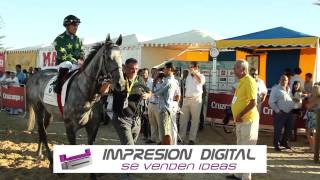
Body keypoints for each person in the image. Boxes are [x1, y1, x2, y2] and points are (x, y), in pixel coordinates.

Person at [227, 60, 259, 180]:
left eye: (235, 68)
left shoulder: (249, 81)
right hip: (240, 120)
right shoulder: (240, 81)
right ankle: (238, 174)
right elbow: (238, 99)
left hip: (248, 120)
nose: (233, 70)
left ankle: (246, 177)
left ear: (243, 70)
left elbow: (253, 102)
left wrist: (240, 114)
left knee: (247, 149)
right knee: (240, 147)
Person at [112, 58, 151, 145]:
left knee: (131, 144)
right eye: (131, 68)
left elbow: (149, 92)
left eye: (136, 69)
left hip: (136, 119)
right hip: (122, 118)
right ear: (125, 68)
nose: (134, 71)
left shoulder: (139, 79)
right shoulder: (119, 79)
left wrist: (147, 95)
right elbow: (105, 90)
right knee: (129, 146)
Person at [52, 14, 84, 94]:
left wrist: (81, 59)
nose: (76, 27)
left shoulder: (78, 40)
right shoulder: (59, 39)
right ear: (67, 26)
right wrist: (75, 61)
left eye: (77, 25)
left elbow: (82, 52)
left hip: (77, 63)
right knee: (68, 64)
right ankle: (58, 87)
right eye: (74, 25)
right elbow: (63, 55)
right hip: (63, 63)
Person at [153, 62, 180, 145]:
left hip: (165, 109)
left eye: (164, 69)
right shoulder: (167, 80)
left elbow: (156, 92)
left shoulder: (169, 81)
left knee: (166, 133)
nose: (163, 71)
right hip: (166, 108)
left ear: (169, 69)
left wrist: (156, 80)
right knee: (167, 131)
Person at [179, 62, 205, 145]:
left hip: (196, 100)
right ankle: (181, 137)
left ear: (196, 67)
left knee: (195, 120)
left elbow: (200, 81)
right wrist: (184, 98)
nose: (189, 68)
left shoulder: (201, 76)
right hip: (186, 99)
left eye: (190, 67)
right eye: (189, 67)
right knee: (183, 119)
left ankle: (192, 139)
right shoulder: (188, 77)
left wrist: (194, 73)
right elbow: (186, 88)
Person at [269, 75, 294, 151]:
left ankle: (284, 142)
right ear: (279, 80)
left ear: (288, 81)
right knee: (278, 130)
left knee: (289, 129)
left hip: (289, 113)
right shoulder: (275, 89)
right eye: (282, 80)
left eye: (285, 80)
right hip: (280, 113)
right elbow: (271, 102)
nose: (284, 81)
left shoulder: (289, 89)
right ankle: (276, 144)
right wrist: (278, 111)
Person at [146, 70, 165, 144]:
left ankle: (161, 140)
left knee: (159, 123)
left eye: (156, 73)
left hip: (158, 104)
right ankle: (153, 138)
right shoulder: (151, 82)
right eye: (154, 73)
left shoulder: (163, 83)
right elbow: (149, 92)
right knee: (152, 122)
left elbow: (160, 93)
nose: (155, 74)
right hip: (151, 104)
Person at [305, 84, 320, 152]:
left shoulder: (317, 98)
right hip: (311, 115)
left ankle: (313, 148)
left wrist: (308, 104)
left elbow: (308, 106)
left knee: (312, 133)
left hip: (313, 116)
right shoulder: (314, 97)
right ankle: (312, 147)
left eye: (313, 89)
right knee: (310, 132)